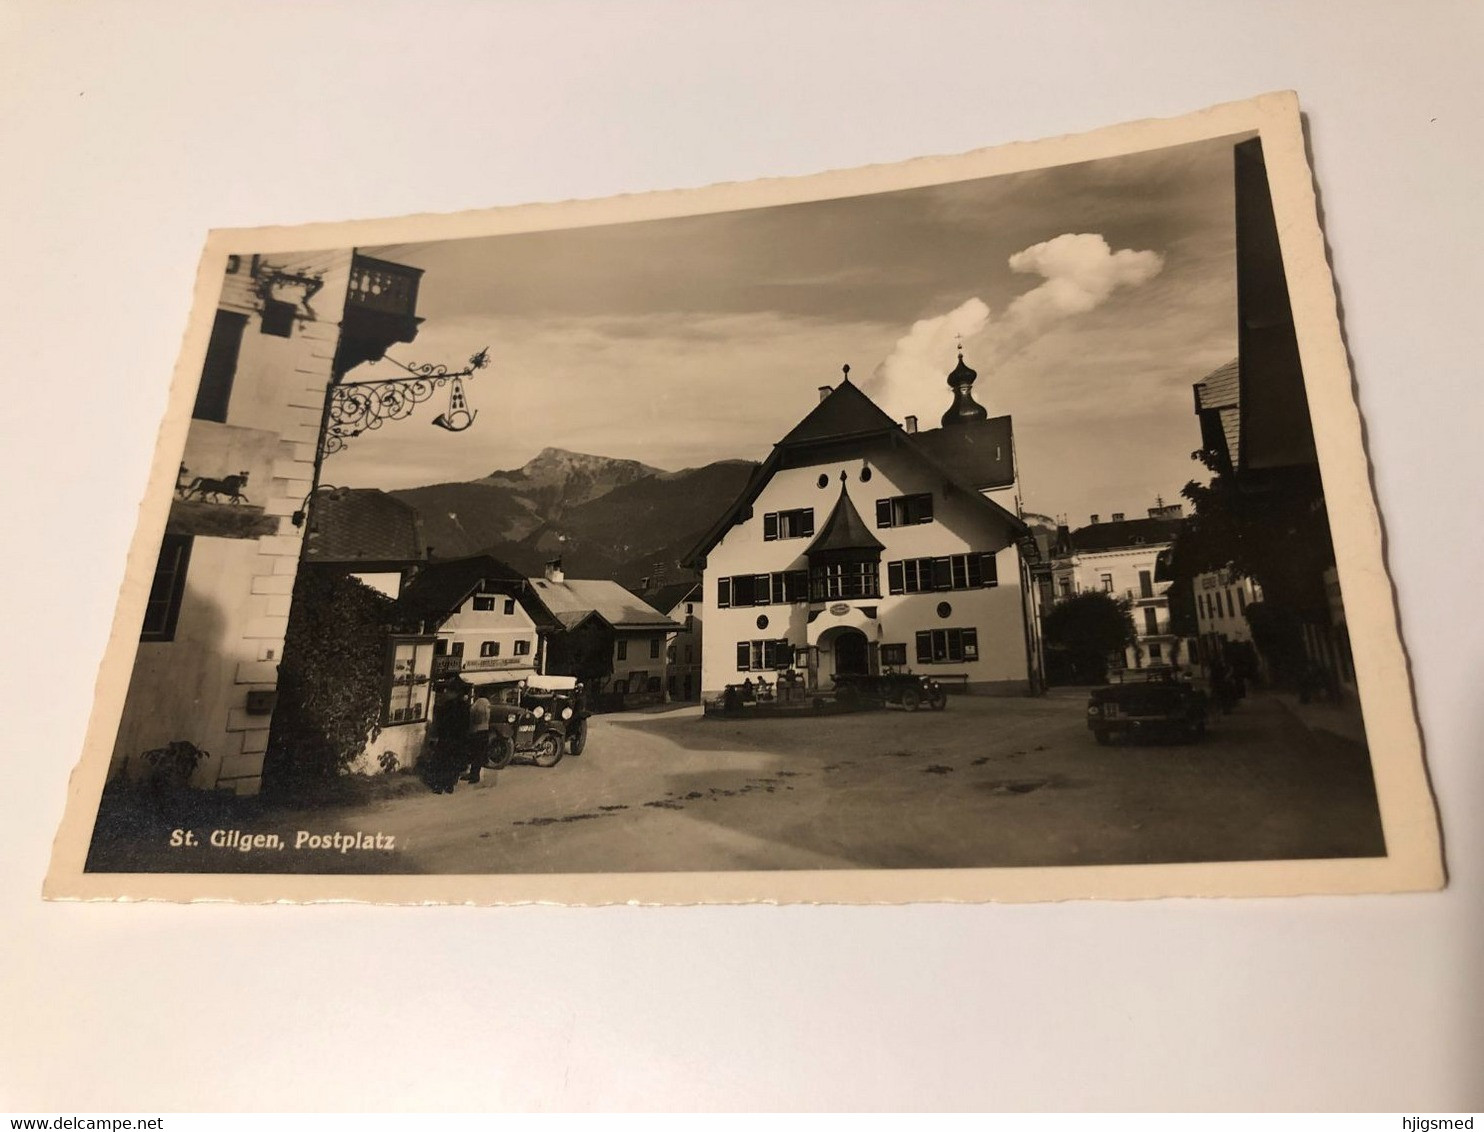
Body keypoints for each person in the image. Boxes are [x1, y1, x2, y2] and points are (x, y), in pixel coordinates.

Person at [463, 691, 493, 784]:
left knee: (475, 754)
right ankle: (474, 774)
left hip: (477, 731)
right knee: (479, 755)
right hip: (484, 730)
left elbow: (477, 718)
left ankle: (474, 776)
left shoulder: (480, 703)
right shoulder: (487, 703)